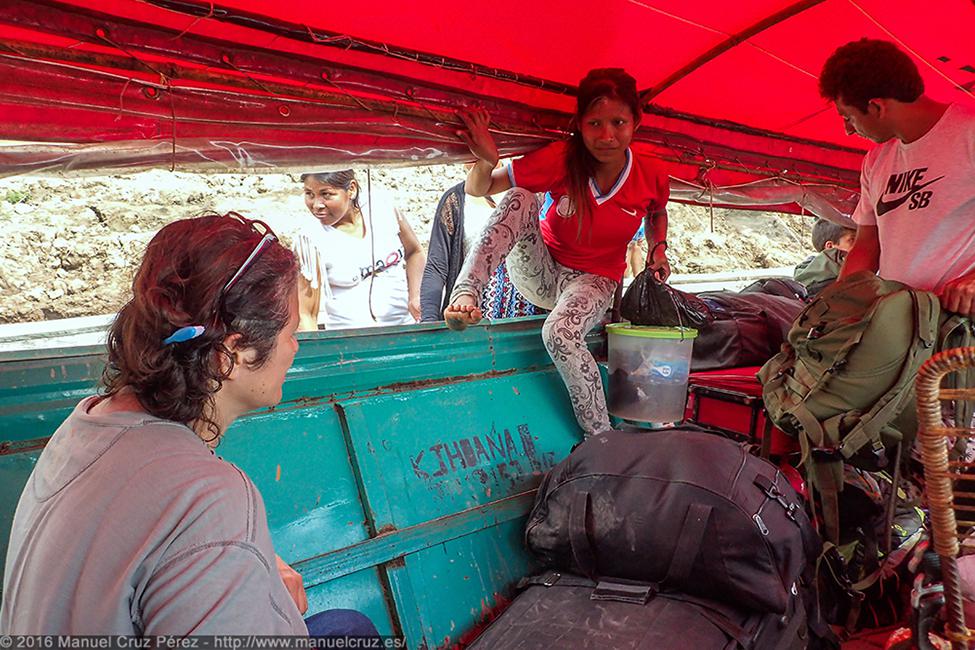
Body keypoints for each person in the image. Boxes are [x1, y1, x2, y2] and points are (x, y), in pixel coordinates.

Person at [0, 214, 375, 636]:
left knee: (348, 627)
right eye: (290, 331)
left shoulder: (86, 422)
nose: (295, 346)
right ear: (229, 356)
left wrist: (242, 559)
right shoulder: (210, 494)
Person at [447, 68, 671, 437]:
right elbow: (480, 188)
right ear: (579, 125)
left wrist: (657, 249)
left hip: (595, 281)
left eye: (618, 122)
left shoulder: (652, 174)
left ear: (636, 123)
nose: (607, 135)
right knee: (520, 196)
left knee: (560, 334)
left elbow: (657, 210)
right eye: (594, 123)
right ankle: (466, 292)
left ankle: (601, 438)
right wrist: (487, 159)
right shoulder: (561, 158)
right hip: (542, 270)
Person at [819, 38, 975, 316]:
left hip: (960, 326)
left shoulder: (969, 134)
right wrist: (835, 305)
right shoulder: (876, 162)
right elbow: (866, 245)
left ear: (877, 107)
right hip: (900, 327)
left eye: (849, 118)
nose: (847, 131)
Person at [292, 170, 426, 331]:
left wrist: (416, 295)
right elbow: (306, 314)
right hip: (351, 345)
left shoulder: (382, 208)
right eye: (309, 194)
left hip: (405, 331)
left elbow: (414, 252)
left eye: (326, 194)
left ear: (352, 189)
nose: (316, 205)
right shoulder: (309, 239)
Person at [419, 181, 539, 321]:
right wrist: (429, 321)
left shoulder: (527, 194)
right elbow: (437, 267)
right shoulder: (455, 200)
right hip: (476, 315)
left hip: (530, 312)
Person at [793, 218, 856, 296]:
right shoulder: (828, 283)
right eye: (852, 240)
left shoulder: (807, 276)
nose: (859, 244)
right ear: (830, 247)